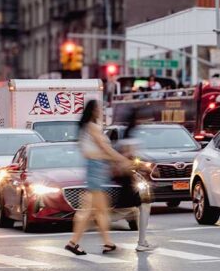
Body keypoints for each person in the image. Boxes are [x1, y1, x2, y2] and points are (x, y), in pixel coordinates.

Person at [66, 100, 130, 255]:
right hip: (96, 168)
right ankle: (74, 242)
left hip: (95, 168)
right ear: (93, 111)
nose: (101, 111)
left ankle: (106, 243)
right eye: (99, 109)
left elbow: (89, 151)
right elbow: (105, 148)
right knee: (95, 211)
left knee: (95, 210)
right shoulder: (92, 127)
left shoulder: (85, 128)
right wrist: (122, 160)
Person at [112, 109, 154, 252]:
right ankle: (142, 242)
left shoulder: (127, 134)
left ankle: (142, 241)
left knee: (136, 207)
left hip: (125, 179)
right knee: (140, 207)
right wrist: (145, 167)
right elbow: (128, 159)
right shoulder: (131, 136)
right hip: (126, 180)